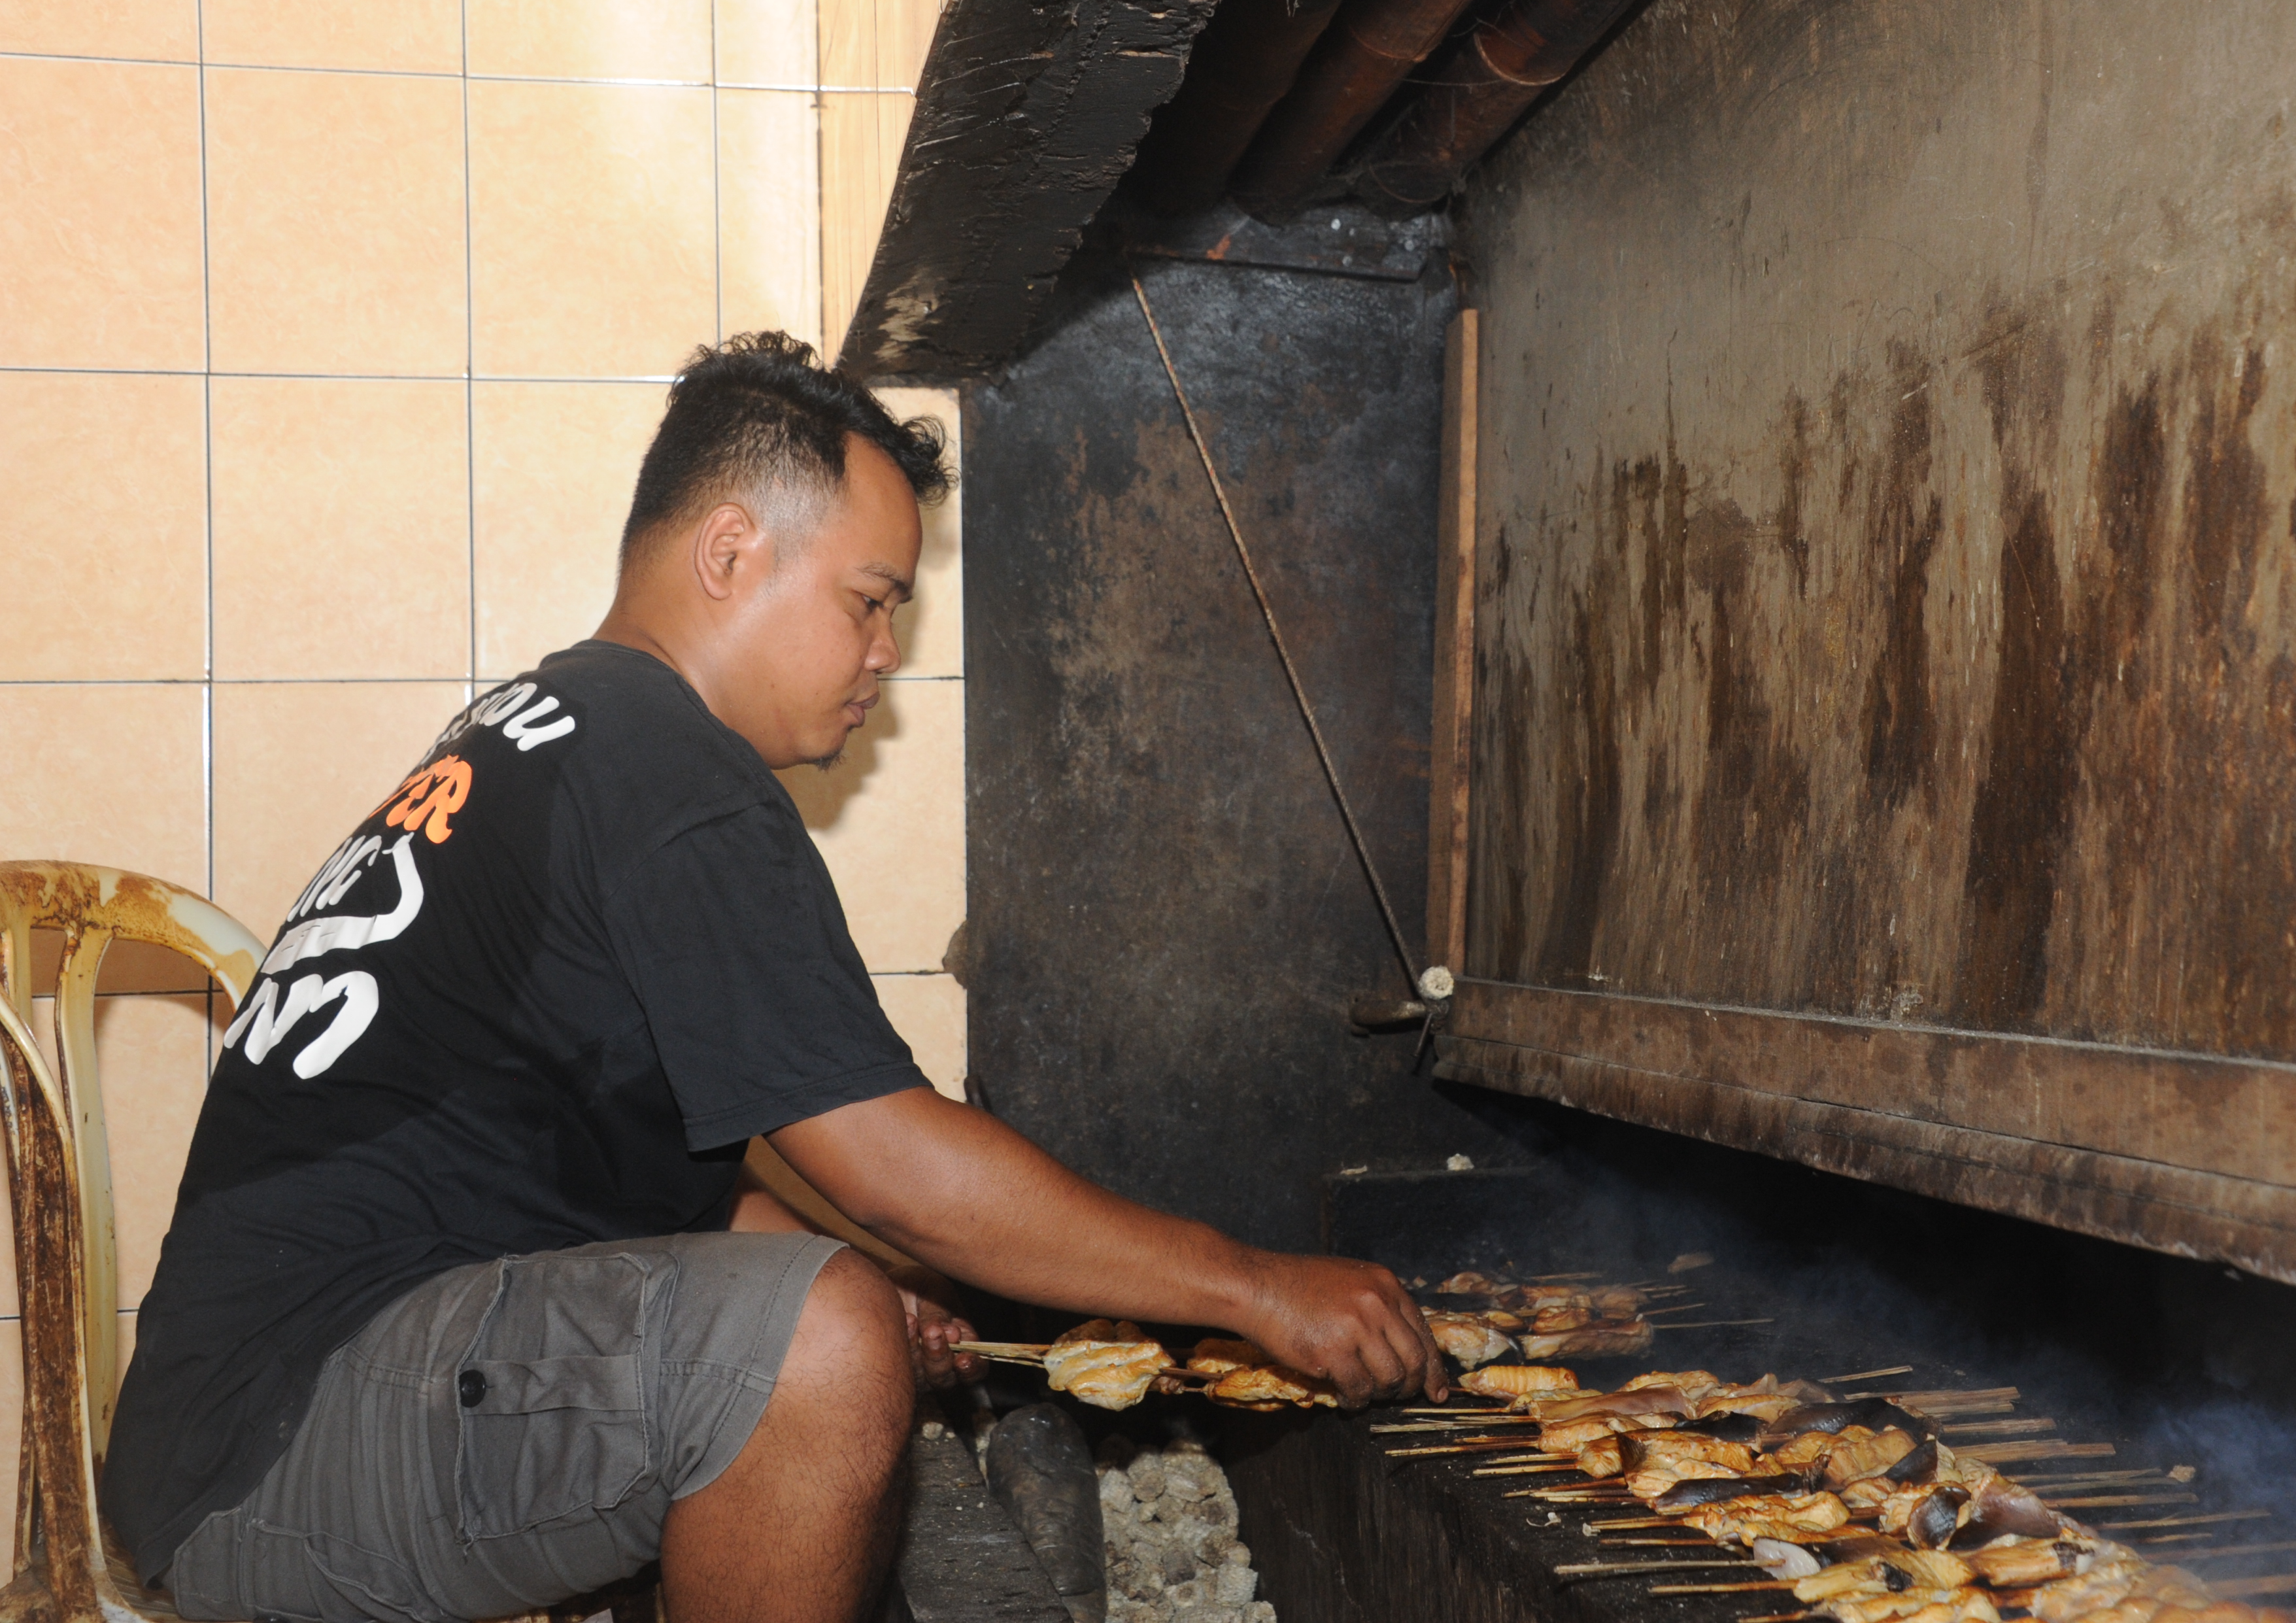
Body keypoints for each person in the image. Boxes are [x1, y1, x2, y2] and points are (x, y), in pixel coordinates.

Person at [104, 332, 1446, 1623]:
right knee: (817, 1345)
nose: (884, 657)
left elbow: (580, 1179)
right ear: (732, 552)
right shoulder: (670, 774)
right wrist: (1253, 1287)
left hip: (232, 1437)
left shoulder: (560, 727)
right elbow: (890, 1163)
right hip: (282, 1452)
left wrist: (849, 1275)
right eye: (868, 602)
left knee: (825, 1314)